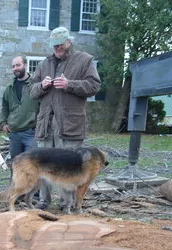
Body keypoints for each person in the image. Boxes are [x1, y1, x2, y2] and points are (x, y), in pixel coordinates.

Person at [30, 26, 101, 210]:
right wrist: (42, 86)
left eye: (60, 45)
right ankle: (44, 202)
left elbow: (94, 86)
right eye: (54, 46)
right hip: (46, 125)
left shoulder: (85, 60)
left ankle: (66, 205)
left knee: (69, 167)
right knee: (43, 163)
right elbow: (32, 91)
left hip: (70, 125)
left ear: (69, 41)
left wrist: (70, 85)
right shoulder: (44, 64)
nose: (57, 49)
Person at [0, 55, 39, 169]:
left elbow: (43, 107)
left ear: (25, 65)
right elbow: (4, 107)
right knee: (15, 167)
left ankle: (32, 188)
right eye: (13, 66)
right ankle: (15, 187)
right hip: (14, 133)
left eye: (18, 65)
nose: (15, 68)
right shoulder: (9, 88)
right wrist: (3, 123)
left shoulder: (35, 86)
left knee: (31, 167)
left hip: (31, 133)